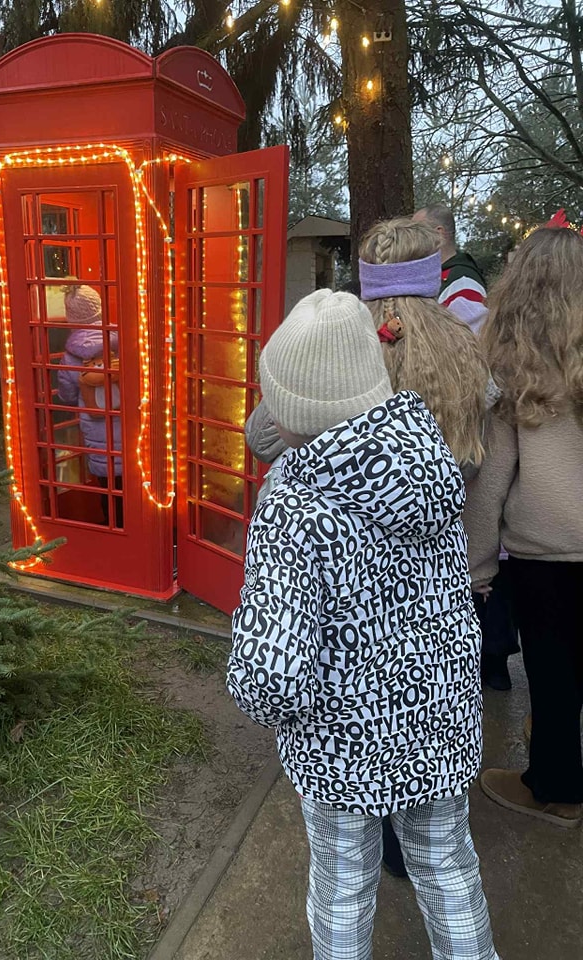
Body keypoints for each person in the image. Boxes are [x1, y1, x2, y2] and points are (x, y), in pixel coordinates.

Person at [228, 288, 499, 960]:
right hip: (438, 724)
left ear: (292, 411)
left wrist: (262, 703)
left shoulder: (293, 507)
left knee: (344, 884)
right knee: (447, 863)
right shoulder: (428, 464)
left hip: (340, 745)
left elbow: (270, 675)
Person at [362, 215, 519, 692]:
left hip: (357, 558)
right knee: (430, 688)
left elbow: (265, 436)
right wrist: (480, 561)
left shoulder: (346, 339)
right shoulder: (466, 347)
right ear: (433, 273)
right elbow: (482, 466)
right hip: (442, 562)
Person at [464, 224, 583, 829]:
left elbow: (491, 482)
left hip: (547, 553)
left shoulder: (514, 365)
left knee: (554, 679)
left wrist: (478, 566)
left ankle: (556, 790)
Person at [56, 284, 123, 527]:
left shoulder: (69, 357)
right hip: (130, 426)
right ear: (99, 310)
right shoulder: (122, 342)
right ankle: (134, 526)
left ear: (71, 317)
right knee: (133, 483)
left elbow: (66, 395)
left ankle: (113, 527)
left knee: (108, 486)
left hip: (96, 430)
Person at [413, 204, 488, 335]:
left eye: (417, 232)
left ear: (438, 234)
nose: (411, 241)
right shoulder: (437, 276)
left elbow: (468, 341)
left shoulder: (463, 284)